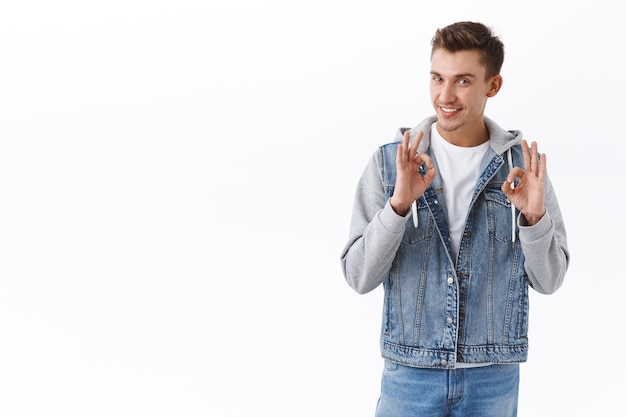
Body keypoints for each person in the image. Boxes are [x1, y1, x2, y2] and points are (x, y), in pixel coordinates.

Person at [340, 21, 569, 417]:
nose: (445, 96)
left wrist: (533, 217)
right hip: (410, 374)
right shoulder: (389, 164)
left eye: (462, 81)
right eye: (437, 78)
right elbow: (359, 277)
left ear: (492, 86)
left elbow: (549, 281)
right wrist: (397, 206)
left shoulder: (522, 169)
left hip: (493, 376)